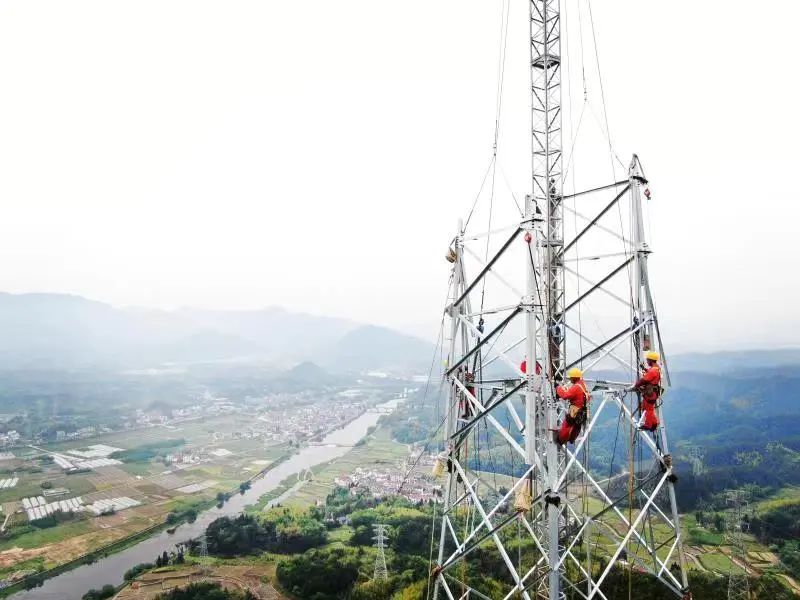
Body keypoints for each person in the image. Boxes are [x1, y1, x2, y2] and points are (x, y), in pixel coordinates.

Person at [556, 367, 589, 445]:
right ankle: (571, 438)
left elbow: (565, 395)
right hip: (582, 410)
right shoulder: (582, 384)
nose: (570, 380)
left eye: (571, 378)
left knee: (568, 424)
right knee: (576, 426)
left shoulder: (576, 387)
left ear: (574, 378)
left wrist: (558, 388)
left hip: (576, 410)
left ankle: (561, 439)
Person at [632, 351, 662, 431]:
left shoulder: (653, 371)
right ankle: (654, 423)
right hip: (653, 392)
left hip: (650, 393)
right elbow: (650, 373)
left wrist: (636, 385)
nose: (647, 362)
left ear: (651, 360)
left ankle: (648, 425)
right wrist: (644, 368)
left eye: (648, 360)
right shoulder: (656, 368)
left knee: (648, 409)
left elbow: (643, 380)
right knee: (648, 408)